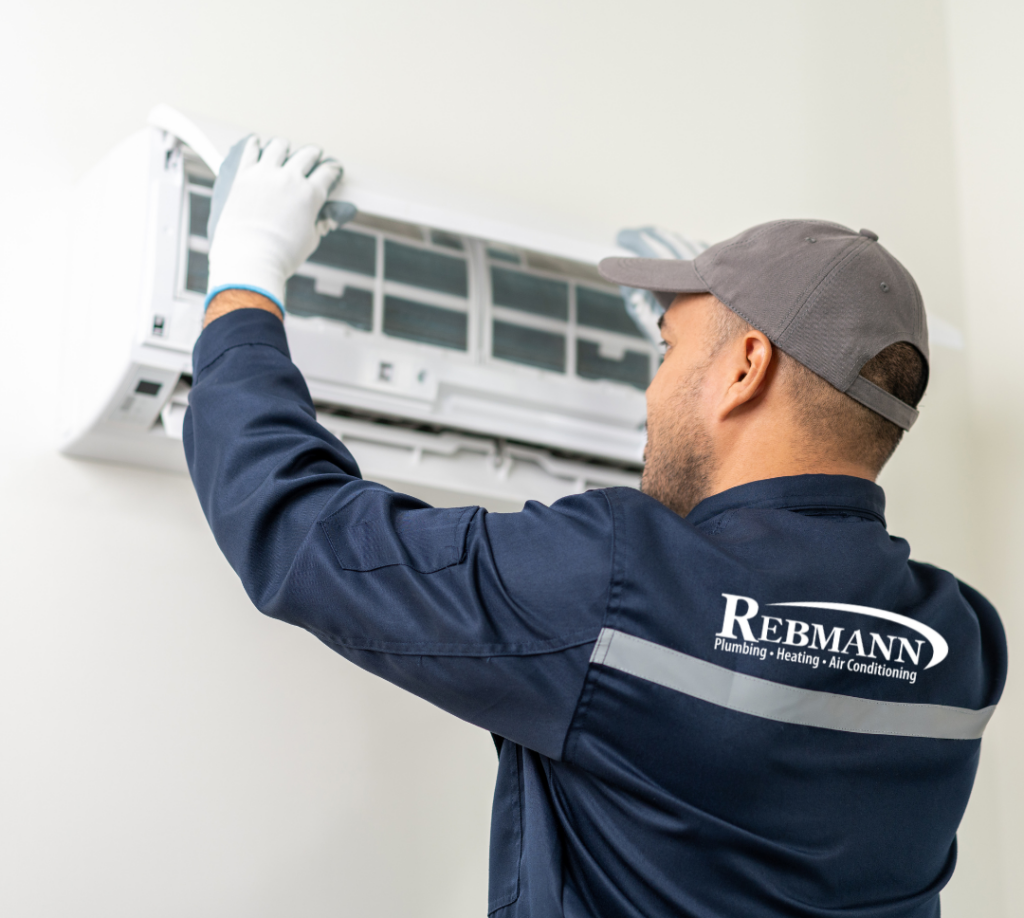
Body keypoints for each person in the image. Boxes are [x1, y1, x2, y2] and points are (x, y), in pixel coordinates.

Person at [185, 137, 1007, 918]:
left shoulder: (608, 583)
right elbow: (721, 638)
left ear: (747, 367)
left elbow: (301, 531)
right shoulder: (963, 647)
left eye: (666, 351)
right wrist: (702, 383)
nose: (653, 389)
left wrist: (247, 273)